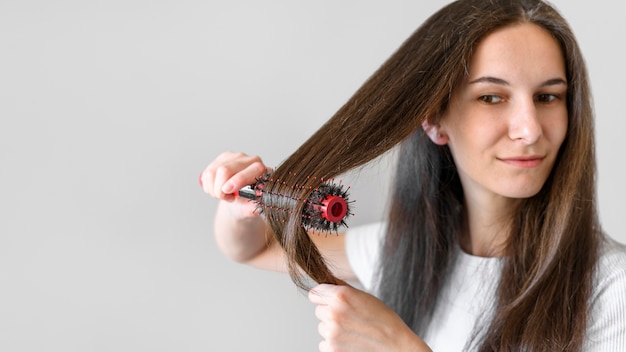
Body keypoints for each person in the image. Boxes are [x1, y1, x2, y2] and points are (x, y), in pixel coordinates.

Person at [200, 0, 626, 350]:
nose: (530, 128)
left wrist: (401, 345)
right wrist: (241, 205)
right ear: (435, 120)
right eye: (492, 97)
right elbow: (255, 249)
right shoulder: (404, 251)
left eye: (548, 96)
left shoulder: (613, 290)